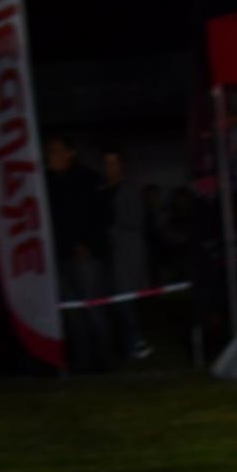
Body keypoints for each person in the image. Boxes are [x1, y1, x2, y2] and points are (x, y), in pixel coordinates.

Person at [45, 134, 115, 371]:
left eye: (56, 150)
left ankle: (105, 360)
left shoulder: (87, 178)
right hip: (59, 256)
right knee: (72, 313)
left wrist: (87, 243)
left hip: (85, 256)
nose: (50, 156)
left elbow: (101, 216)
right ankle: (82, 361)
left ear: (70, 152)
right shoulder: (47, 183)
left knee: (94, 309)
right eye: (49, 151)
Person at [100, 148, 153, 360]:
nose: (110, 168)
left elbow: (137, 221)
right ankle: (126, 343)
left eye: (113, 163)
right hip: (108, 255)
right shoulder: (102, 190)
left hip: (126, 254)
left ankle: (136, 341)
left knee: (125, 299)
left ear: (121, 166)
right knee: (115, 301)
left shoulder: (129, 191)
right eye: (106, 163)